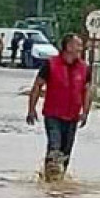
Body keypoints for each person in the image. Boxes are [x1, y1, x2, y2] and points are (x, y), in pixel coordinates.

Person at [26, 33, 92, 181]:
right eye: (78, 45)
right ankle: (49, 182)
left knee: (66, 152)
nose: (81, 49)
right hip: (53, 115)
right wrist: (31, 109)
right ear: (68, 47)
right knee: (55, 149)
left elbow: (87, 91)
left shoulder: (84, 68)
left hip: (73, 116)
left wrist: (85, 112)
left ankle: (59, 182)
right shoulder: (50, 64)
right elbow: (37, 86)